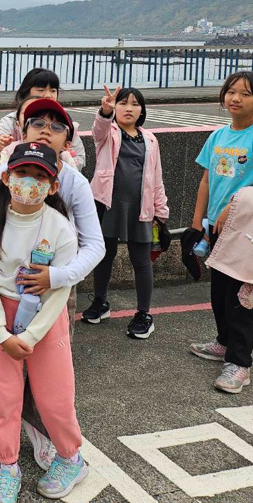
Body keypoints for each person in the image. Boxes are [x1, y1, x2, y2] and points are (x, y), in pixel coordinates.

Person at [0, 98, 104, 469]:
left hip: (55, 288)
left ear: (68, 141)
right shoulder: (6, 172)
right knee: (4, 378)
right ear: (22, 130)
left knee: (49, 379)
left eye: (56, 125)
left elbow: (94, 244)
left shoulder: (73, 182)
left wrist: (56, 277)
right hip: (5, 292)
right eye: (37, 122)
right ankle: (5, 432)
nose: (46, 130)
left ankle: (44, 436)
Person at [0, 143, 88, 502]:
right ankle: (8, 467)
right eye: (22, 173)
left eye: (40, 177)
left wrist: (32, 335)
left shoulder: (60, 228)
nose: (29, 183)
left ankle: (71, 458)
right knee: (3, 398)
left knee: (55, 397)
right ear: (6, 177)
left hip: (46, 320)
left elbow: (59, 291)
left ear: (53, 186)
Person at [188, 71, 253, 394]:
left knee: (243, 298)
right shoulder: (218, 135)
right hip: (218, 229)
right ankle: (224, 342)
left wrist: (236, 204)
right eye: (231, 92)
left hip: (247, 232)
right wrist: (196, 222)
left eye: (245, 94)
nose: (235, 98)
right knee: (220, 294)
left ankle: (240, 364)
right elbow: (206, 180)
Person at [84, 86, 169, 339]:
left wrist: (161, 212)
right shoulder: (108, 133)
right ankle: (101, 302)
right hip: (107, 203)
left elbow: (157, 178)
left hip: (140, 207)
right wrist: (104, 112)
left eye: (135, 104)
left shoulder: (150, 140)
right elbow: (98, 130)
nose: (128, 108)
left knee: (141, 261)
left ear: (142, 110)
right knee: (104, 255)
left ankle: (144, 314)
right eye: (123, 103)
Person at [0, 68, 86, 168]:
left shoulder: (65, 123)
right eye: (41, 90)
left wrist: (61, 162)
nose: (48, 95)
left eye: (53, 90)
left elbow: (79, 159)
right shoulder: (11, 122)